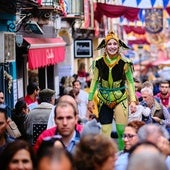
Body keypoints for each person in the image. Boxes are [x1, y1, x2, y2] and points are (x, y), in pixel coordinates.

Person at [88, 31, 136, 150]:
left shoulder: (125, 62)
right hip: (104, 98)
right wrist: (90, 99)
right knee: (105, 130)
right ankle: (105, 155)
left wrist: (133, 100)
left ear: (119, 46)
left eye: (115, 44)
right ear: (105, 46)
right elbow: (94, 81)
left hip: (121, 98)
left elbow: (130, 82)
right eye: (109, 44)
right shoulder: (98, 62)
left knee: (121, 130)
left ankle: (122, 153)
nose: (112, 46)